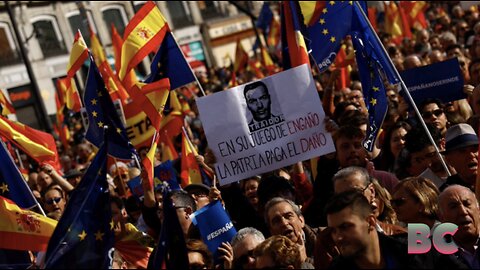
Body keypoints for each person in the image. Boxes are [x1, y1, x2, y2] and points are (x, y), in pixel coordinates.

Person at [325, 190, 423, 269]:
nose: (338, 237)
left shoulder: (412, 252)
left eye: (345, 227)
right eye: (333, 230)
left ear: (371, 222)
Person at [263, 197, 317, 268]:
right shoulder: (270, 260)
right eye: (276, 221)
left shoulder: (327, 238)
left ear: (301, 220)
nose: (284, 223)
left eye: (288, 216)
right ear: (271, 231)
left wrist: (304, 261)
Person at [438, 185, 480, 268]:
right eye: (453, 207)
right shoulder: (434, 256)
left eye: (467, 204)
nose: (463, 212)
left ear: (478, 210)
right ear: (442, 217)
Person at [441, 123, 479, 191]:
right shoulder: (446, 194)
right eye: (462, 151)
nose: (471, 155)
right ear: (449, 160)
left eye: (475, 149)